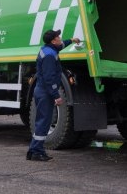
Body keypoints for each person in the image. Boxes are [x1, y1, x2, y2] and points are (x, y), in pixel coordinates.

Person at [27, 29, 80, 161]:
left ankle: (33, 150)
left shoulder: (48, 49)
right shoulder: (50, 56)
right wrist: (56, 96)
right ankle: (36, 152)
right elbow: (49, 79)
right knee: (44, 123)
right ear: (53, 41)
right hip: (45, 92)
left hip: (42, 90)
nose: (60, 38)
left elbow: (61, 45)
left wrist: (72, 40)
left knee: (42, 121)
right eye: (58, 36)